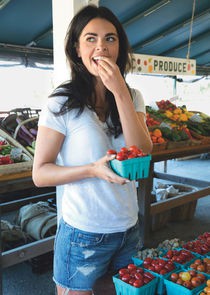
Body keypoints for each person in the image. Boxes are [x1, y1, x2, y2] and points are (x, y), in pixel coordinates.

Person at [32, 4, 152, 295]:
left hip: (128, 227)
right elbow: (40, 174)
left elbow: (143, 153)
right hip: (82, 233)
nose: (102, 46)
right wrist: (91, 170)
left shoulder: (131, 96)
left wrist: (120, 92)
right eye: (91, 38)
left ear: (120, 46)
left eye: (110, 38)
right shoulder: (60, 103)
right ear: (76, 49)